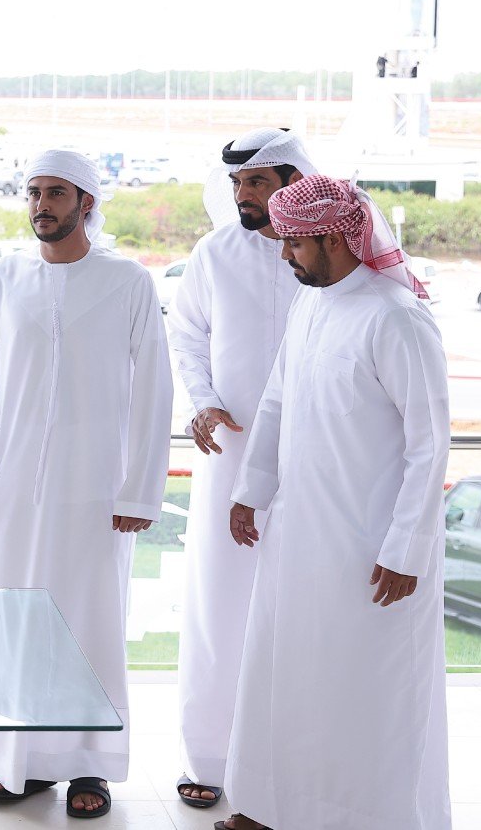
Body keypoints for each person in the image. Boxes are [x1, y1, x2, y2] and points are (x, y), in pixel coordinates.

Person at [221, 176, 448, 830]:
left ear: (334, 238)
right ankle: (268, 805)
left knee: (359, 694)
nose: (284, 255)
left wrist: (406, 548)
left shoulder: (397, 317)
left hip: (370, 551)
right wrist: (250, 492)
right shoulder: (311, 303)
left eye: (294, 243)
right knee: (283, 677)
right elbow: (276, 400)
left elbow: (430, 444)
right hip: (298, 537)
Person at [0, 150, 172, 820]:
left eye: (55, 193)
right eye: (33, 193)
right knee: (17, 623)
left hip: (96, 491)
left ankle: (88, 765)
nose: (40, 205)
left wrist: (140, 489)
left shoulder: (128, 281)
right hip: (17, 489)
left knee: (87, 625)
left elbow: (154, 389)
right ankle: (18, 763)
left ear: (86, 203)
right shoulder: (5, 277)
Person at [170, 127, 315, 810]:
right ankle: (209, 755)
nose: (242, 195)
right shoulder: (213, 253)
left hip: (314, 452)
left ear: (293, 180)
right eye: (236, 183)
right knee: (219, 602)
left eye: (255, 181)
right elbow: (187, 334)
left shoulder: (329, 254)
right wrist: (202, 401)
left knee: (303, 603)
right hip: (230, 452)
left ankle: (295, 762)